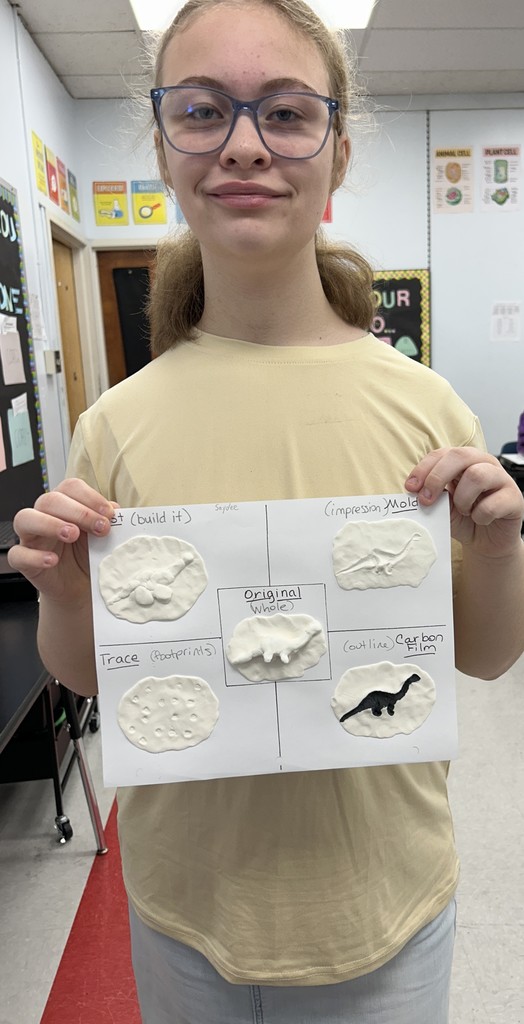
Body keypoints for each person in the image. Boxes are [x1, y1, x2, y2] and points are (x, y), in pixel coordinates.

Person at [9, 1, 524, 1021]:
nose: (244, 144)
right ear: (163, 145)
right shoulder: (115, 422)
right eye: (202, 110)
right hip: (185, 903)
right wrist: (66, 595)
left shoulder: (422, 404)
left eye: (285, 114)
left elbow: (484, 653)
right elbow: (84, 668)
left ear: (335, 152)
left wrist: (502, 543)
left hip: (380, 902)